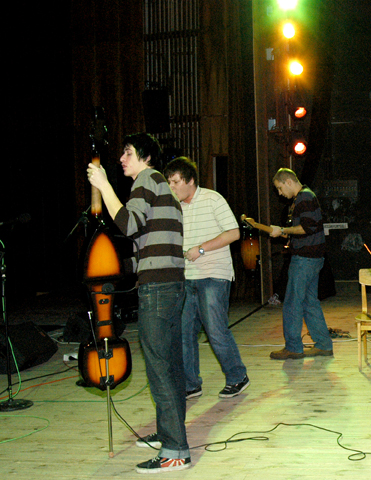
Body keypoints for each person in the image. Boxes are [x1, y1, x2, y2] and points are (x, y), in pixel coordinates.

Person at [87, 133, 191, 473]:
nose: (121, 159)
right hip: (172, 285)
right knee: (171, 366)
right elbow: (147, 247)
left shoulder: (146, 179)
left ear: (145, 156)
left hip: (158, 289)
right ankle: (168, 434)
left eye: (128, 152)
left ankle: (176, 450)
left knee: (159, 368)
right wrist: (115, 271)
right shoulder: (164, 189)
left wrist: (104, 186)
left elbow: (128, 224)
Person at [164, 157, 249, 399]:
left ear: (190, 180)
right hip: (187, 277)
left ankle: (237, 377)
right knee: (184, 333)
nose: (171, 187)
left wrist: (201, 249)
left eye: (176, 182)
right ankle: (191, 384)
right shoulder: (175, 208)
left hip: (214, 275)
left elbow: (234, 232)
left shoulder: (213, 199)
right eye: (169, 182)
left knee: (215, 330)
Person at [267, 168, 334, 359]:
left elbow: (306, 228)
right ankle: (323, 345)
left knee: (292, 303)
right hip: (313, 257)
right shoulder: (306, 196)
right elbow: (308, 228)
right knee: (309, 302)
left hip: (305, 259)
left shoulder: (304, 197)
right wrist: (286, 233)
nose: (280, 193)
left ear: (288, 182)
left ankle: (293, 347)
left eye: (280, 188)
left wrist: (282, 230)